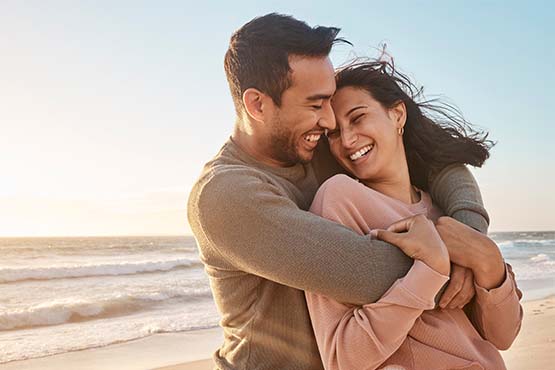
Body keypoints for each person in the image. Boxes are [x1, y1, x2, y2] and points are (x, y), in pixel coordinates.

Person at [187, 13, 490, 369]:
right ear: (258, 105)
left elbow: (438, 163)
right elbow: (369, 274)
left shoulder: (314, 150)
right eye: (315, 104)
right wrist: (469, 262)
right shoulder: (225, 195)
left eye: (330, 101)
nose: (331, 122)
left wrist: (468, 234)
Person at [305, 59, 523, 370]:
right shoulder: (340, 199)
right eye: (335, 134)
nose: (348, 140)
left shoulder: (442, 209)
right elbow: (342, 359)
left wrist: (489, 262)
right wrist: (429, 270)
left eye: (358, 118)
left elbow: (503, 337)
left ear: (397, 115)